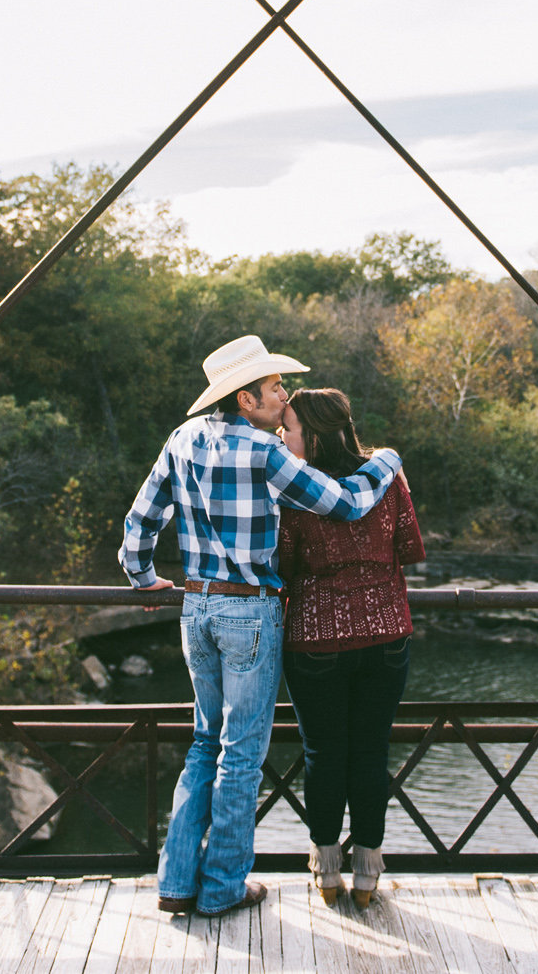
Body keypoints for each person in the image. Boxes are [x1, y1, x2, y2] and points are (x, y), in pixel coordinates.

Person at [121, 335, 403, 919]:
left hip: (195, 607)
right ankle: (222, 887)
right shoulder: (264, 452)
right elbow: (347, 503)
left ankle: (176, 880)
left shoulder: (182, 438)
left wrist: (143, 578)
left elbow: (141, 520)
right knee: (241, 753)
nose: (282, 396)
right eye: (274, 388)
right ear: (246, 399)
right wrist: (387, 462)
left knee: (203, 742)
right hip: (249, 609)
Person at [277, 387, 423, 909]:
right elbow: (410, 549)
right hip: (386, 635)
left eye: (288, 429)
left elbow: (284, 567)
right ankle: (367, 873)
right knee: (370, 751)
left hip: (315, 640)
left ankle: (325, 868)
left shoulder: (295, 492)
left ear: (313, 436)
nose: (281, 437)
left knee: (323, 753)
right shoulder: (385, 481)